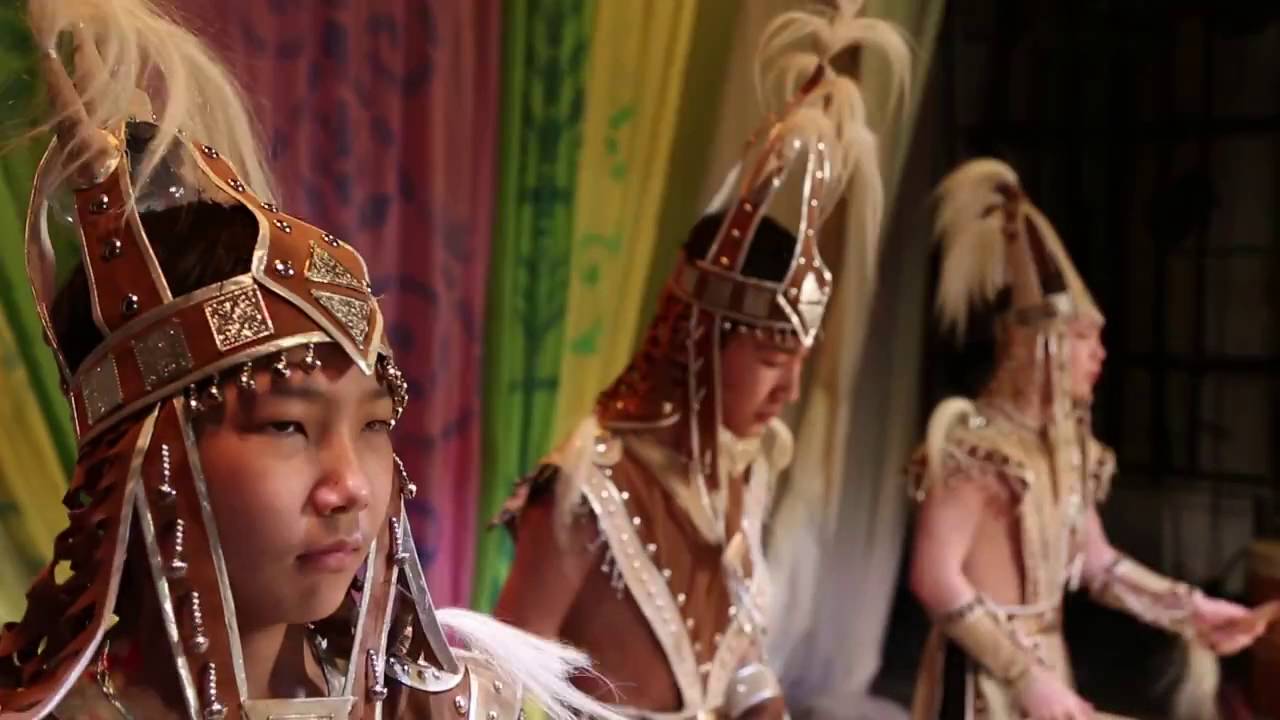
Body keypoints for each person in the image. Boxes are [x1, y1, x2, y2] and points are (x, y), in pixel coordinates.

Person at [0, 2, 623, 718]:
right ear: (141, 458)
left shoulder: (455, 706)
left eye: (375, 423)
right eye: (287, 426)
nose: (351, 487)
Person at [492, 3, 910, 718]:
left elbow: (732, 653)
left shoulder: (738, 471)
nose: (790, 389)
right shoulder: (587, 487)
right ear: (699, 340)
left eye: (801, 360)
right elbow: (503, 675)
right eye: (772, 356)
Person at [906, 158, 1268, 720]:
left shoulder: (1067, 453)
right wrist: (1023, 675)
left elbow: (1096, 563)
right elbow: (935, 577)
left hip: (1047, 671)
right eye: (1081, 337)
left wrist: (1191, 611)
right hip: (982, 683)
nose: (1099, 353)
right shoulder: (974, 447)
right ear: (1039, 345)